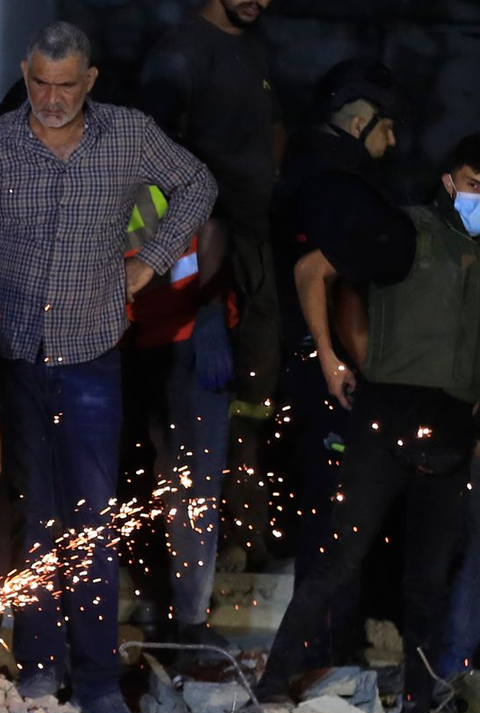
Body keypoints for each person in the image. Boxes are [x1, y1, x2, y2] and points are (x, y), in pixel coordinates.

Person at [0, 20, 216, 713]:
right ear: (25, 75)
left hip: (92, 349)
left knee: (90, 515)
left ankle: (97, 678)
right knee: (35, 512)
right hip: (9, 351)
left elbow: (197, 184)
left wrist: (147, 263)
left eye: (66, 85)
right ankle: (39, 668)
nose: (52, 98)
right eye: (39, 83)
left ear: (89, 81)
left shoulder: (128, 133)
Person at [257, 135, 480, 713]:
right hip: (385, 422)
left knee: (428, 582)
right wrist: (329, 357)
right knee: (339, 559)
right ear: (450, 181)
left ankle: (417, 712)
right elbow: (312, 270)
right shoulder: (407, 233)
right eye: (474, 183)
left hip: (453, 435)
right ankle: (273, 684)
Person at [142, 0, 284, 567]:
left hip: (253, 242)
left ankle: (239, 540)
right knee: (184, 432)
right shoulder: (182, 54)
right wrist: (201, 292)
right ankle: (181, 570)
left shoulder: (251, 45)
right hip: (205, 251)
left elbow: (273, 128)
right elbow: (156, 162)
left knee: (254, 403)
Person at [270, 59, 403, 662]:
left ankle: (330, 651)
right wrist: (336, 359)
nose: (393, 141)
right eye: (387, 127)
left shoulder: (314, 172)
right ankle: (324, 656)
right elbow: (324, 277)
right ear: (358, 121)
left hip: (320, 366)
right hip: (329, 372)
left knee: (338, 512)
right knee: (336, 515)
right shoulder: (335, 184)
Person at [121, 184, 235, 649]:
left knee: (193, 484)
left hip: (188, 334)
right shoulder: (87, 173)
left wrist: (210, 310)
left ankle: (190, 619)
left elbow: (214, 222)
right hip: (121, 341)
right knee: (126, 487)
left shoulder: (178, 170)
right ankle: (151, 602)